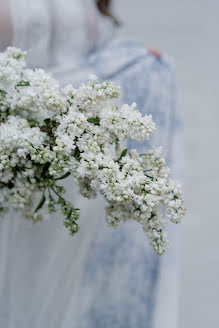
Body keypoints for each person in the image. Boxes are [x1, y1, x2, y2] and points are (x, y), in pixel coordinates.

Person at [0, 0, 183, 327]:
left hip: (75, 173)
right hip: (14, 166)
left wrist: (135, 61)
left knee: (75, 297)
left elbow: (90, 57)